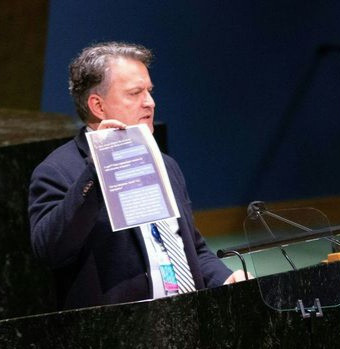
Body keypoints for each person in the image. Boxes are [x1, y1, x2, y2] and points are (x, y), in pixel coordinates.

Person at [28, 41, 246, 310]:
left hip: (188, 318)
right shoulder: (57, 170)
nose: (150, 103)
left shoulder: (165, 165)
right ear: (98, 106)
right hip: (124, 328)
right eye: (135, 93)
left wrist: (225, 278)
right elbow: (50, 250)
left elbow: (190, 248)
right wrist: (98, 170)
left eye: (149, 91)